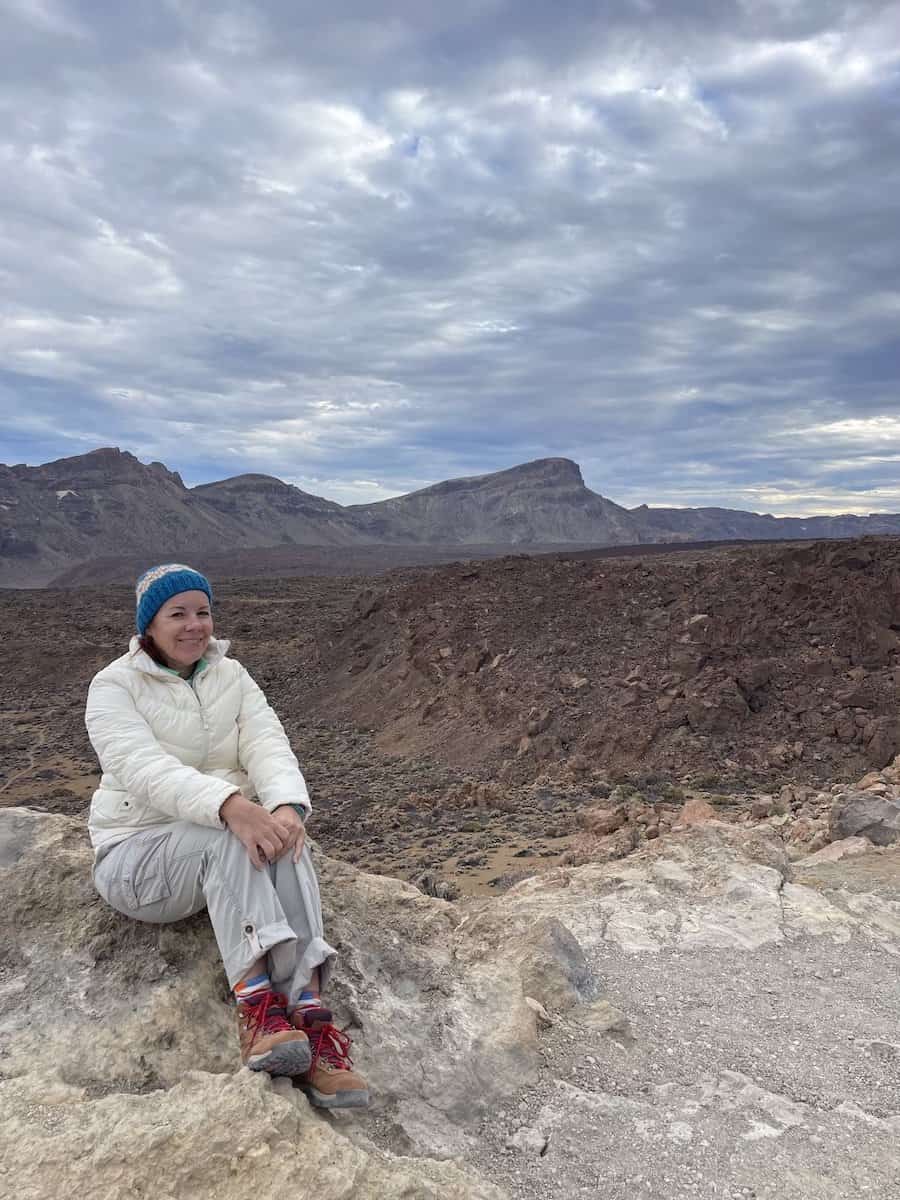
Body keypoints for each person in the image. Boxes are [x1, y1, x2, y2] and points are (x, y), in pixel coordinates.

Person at [84, 562, 368, 1108]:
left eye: (203, 612)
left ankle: (308, 1017)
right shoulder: (113, 686)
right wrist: (232, 806)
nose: (194, 625)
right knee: (233, 834)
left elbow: (266, 741)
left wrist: (285, 807)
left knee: (282, 839)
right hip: (137, 857)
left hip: (214, 848)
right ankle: (258, 1010)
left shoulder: (230, 675)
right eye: (178, 614)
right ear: (149, 625)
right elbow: (143, 769)